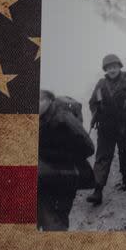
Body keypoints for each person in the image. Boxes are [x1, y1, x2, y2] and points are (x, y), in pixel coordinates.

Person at [86, 54, 126, 205]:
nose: (112, 70)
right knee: (102, 156)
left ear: (120, 67)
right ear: (105, 70)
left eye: (114, 67)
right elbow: (92, 102)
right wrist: (96, 113)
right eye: (109, 68)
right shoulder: (101, 84)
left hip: (124, 127)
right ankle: (98, 190)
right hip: (106, 127)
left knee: (125, 151)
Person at [37, 89, 95, 230]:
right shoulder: (38, 119)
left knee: (56, 223)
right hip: (45, 177)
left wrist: (58, 156)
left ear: (49, 100)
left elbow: (89, 148)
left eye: (39, 100)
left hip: (65, 177)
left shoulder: (64, 118)